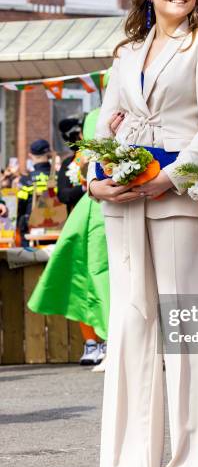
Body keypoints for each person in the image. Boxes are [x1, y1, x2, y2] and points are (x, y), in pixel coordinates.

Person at [89, 0, 198, 467]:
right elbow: (103, 126)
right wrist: (93, 180)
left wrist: (170, 178)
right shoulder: (124, 52)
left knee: (186, 332)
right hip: (121, 201)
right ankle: (131, 465)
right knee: (130, 327)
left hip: (178, 198)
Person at [28, 108, 109, 369]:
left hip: (107, 218)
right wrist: (88, 185)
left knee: (103, 280)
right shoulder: (69, 164)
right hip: (82, 223)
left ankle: (110, 339)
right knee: (83, 279)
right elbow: (63, 194)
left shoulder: (111, 156)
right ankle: (92, 342)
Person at [17, 139, 52, 245]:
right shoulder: (60, 177)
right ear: (49, 154)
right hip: (58, 229)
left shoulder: (26, 180)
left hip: (31, 233)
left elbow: (20, 206)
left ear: (31, 155)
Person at [57, 117, 86, 215]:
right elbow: (63, 195)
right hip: (78, 212)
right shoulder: (68, 163)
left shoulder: (100, 155)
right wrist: (84, 188)